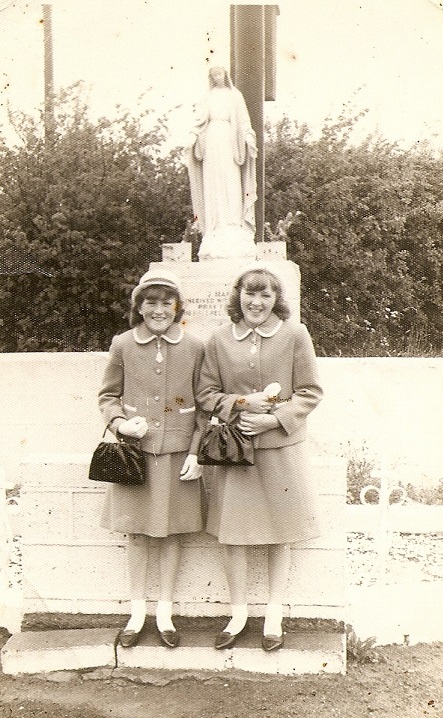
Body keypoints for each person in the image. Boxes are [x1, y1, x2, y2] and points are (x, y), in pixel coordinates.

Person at [196, 264, 323, 651]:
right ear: (238, 297)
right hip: (236, 451)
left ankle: (273, 614)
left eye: (266, 295)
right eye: (250, 294)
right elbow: (205, 395)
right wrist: (238, 404)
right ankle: (237, 614)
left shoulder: (295, 335)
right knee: (232, 535)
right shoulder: (218, 339)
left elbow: (310, 392)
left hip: (280, 450)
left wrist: (272, 420)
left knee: (279, 533)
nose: (257, 302)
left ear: (275, 300)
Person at [98, 269, 204, 649]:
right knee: (139, 534)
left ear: (177, 307)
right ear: (138, 307)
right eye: (150, 302)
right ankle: (137, 611)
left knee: (172, 532)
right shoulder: (123, 344)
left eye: (166, 302)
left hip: (176, 456)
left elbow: (204, 407)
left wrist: (196, 452)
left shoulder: (194, 347)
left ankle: (164, 612)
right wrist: (122, 424)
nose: (158, 310)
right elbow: (108, 397)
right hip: (136, 457)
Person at [186, 66, 257, 260]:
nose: (217, 77)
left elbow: (244, 121)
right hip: (212, 139)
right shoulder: (207, 97)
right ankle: (216, 224)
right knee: (214, 182)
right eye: (213, 75)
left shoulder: (235, 95)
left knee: (231, 180)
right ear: (210, 77)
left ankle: (233, 223)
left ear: (225, 75)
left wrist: (249, 138)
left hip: (229, 139)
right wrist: (192, 137)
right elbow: (198, 121)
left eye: (220, 74)